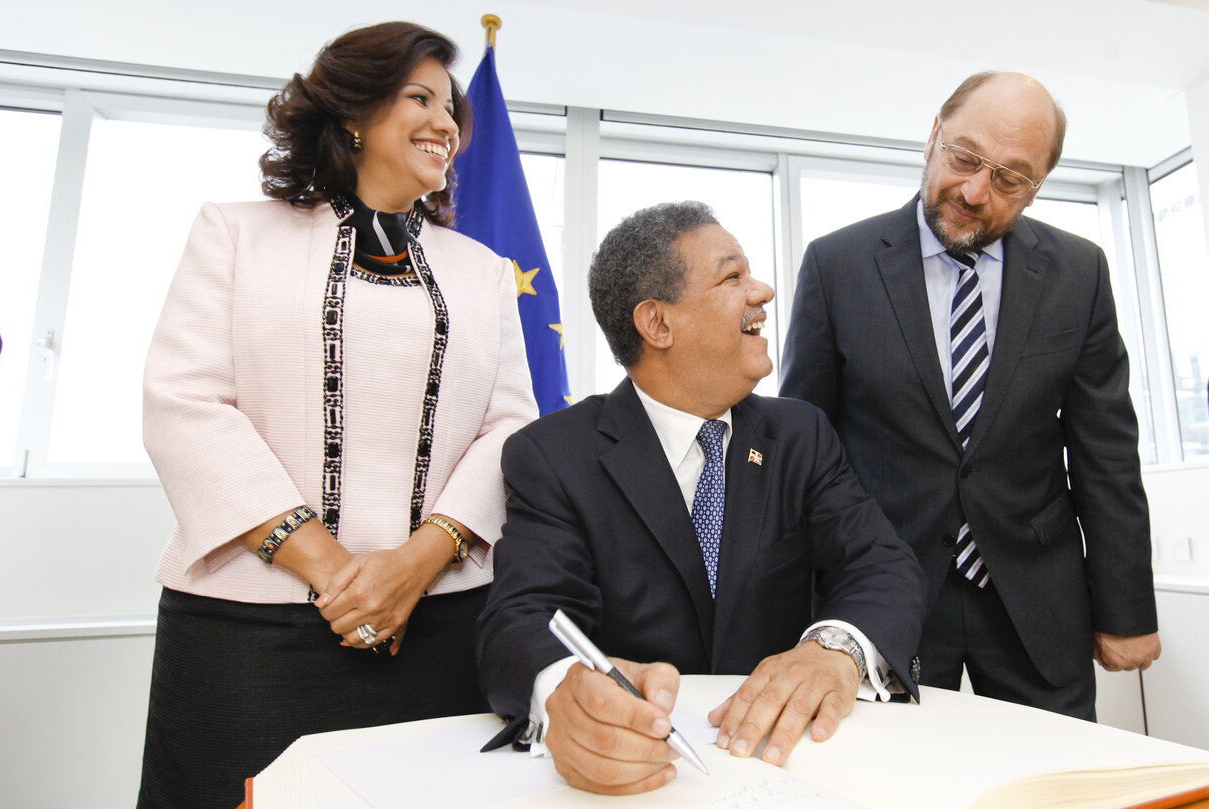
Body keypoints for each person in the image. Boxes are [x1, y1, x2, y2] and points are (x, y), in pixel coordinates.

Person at [137, 22, 537, 809]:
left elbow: (511, 428)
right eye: (418, 97)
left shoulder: (483, 271)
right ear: (352, 112)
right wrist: (335, 573)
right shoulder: (235, 232)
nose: (445, 123)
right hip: (249, 630)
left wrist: (417, 563)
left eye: (451, 106)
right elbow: (184, 402)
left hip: (444, 621)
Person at [477, 201, 926, 795]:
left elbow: (881, 564)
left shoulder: (801, 436)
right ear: (657, 324)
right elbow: (523, 619)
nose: (762, 291)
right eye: (732, 276)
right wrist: (565, 694)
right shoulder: (552, 454)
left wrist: (833, 650)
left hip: (788, 771)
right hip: (642, 780)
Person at [780, 71, 1161, 721]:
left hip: (1037, 603)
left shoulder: (1081, 274)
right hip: (884, 591)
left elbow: (1106, 454)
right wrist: (795, 606)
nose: (976, 191)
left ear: (1037, 186)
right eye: (965, 157)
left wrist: (1127, 609)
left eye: (1011, 178)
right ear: (933, 136)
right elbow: (805, 451)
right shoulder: (836, 265)